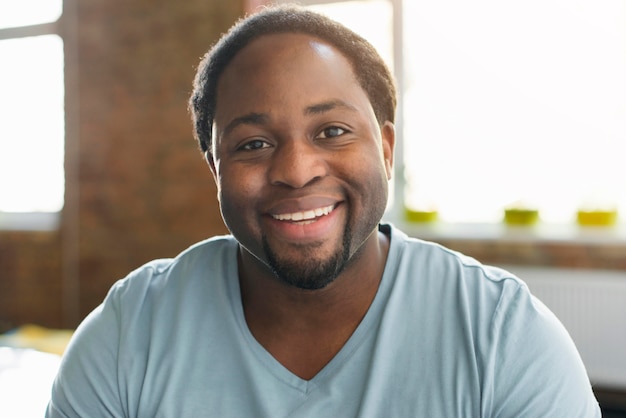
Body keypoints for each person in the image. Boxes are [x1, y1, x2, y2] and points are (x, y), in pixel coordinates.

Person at [47, 4, 601, 417]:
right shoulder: (130, 334)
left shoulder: (502, 336)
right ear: (216, 169)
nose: (296, 169)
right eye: (253, 143)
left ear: (385, 149)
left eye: (332, 131)